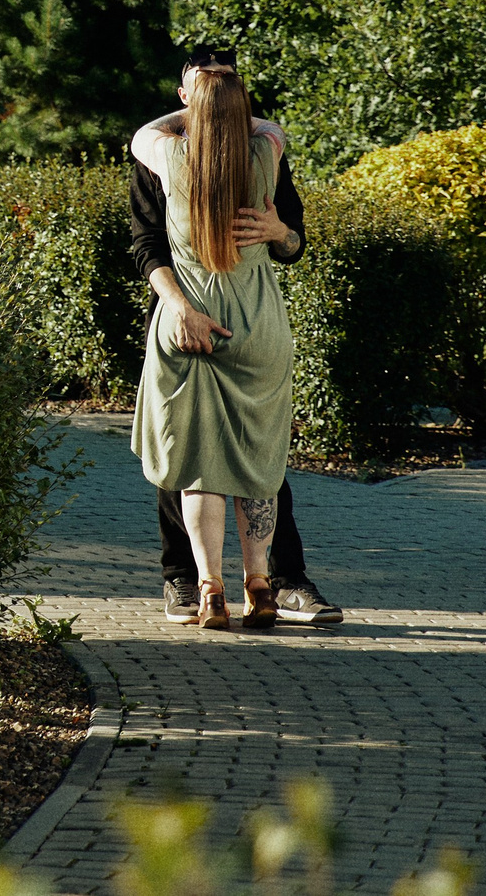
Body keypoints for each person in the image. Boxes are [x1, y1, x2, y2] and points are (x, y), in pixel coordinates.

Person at [129, 52, 347, 626]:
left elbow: (141, 136)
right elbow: (273, 132)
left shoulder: (169, 157)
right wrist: (232, 110)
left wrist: (200, 110)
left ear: (184, 102)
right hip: (258, 326)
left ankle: (208, 590)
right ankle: (262, 585)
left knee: (195, 468)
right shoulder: (265, 156)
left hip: (193, 322)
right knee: (259, 464)